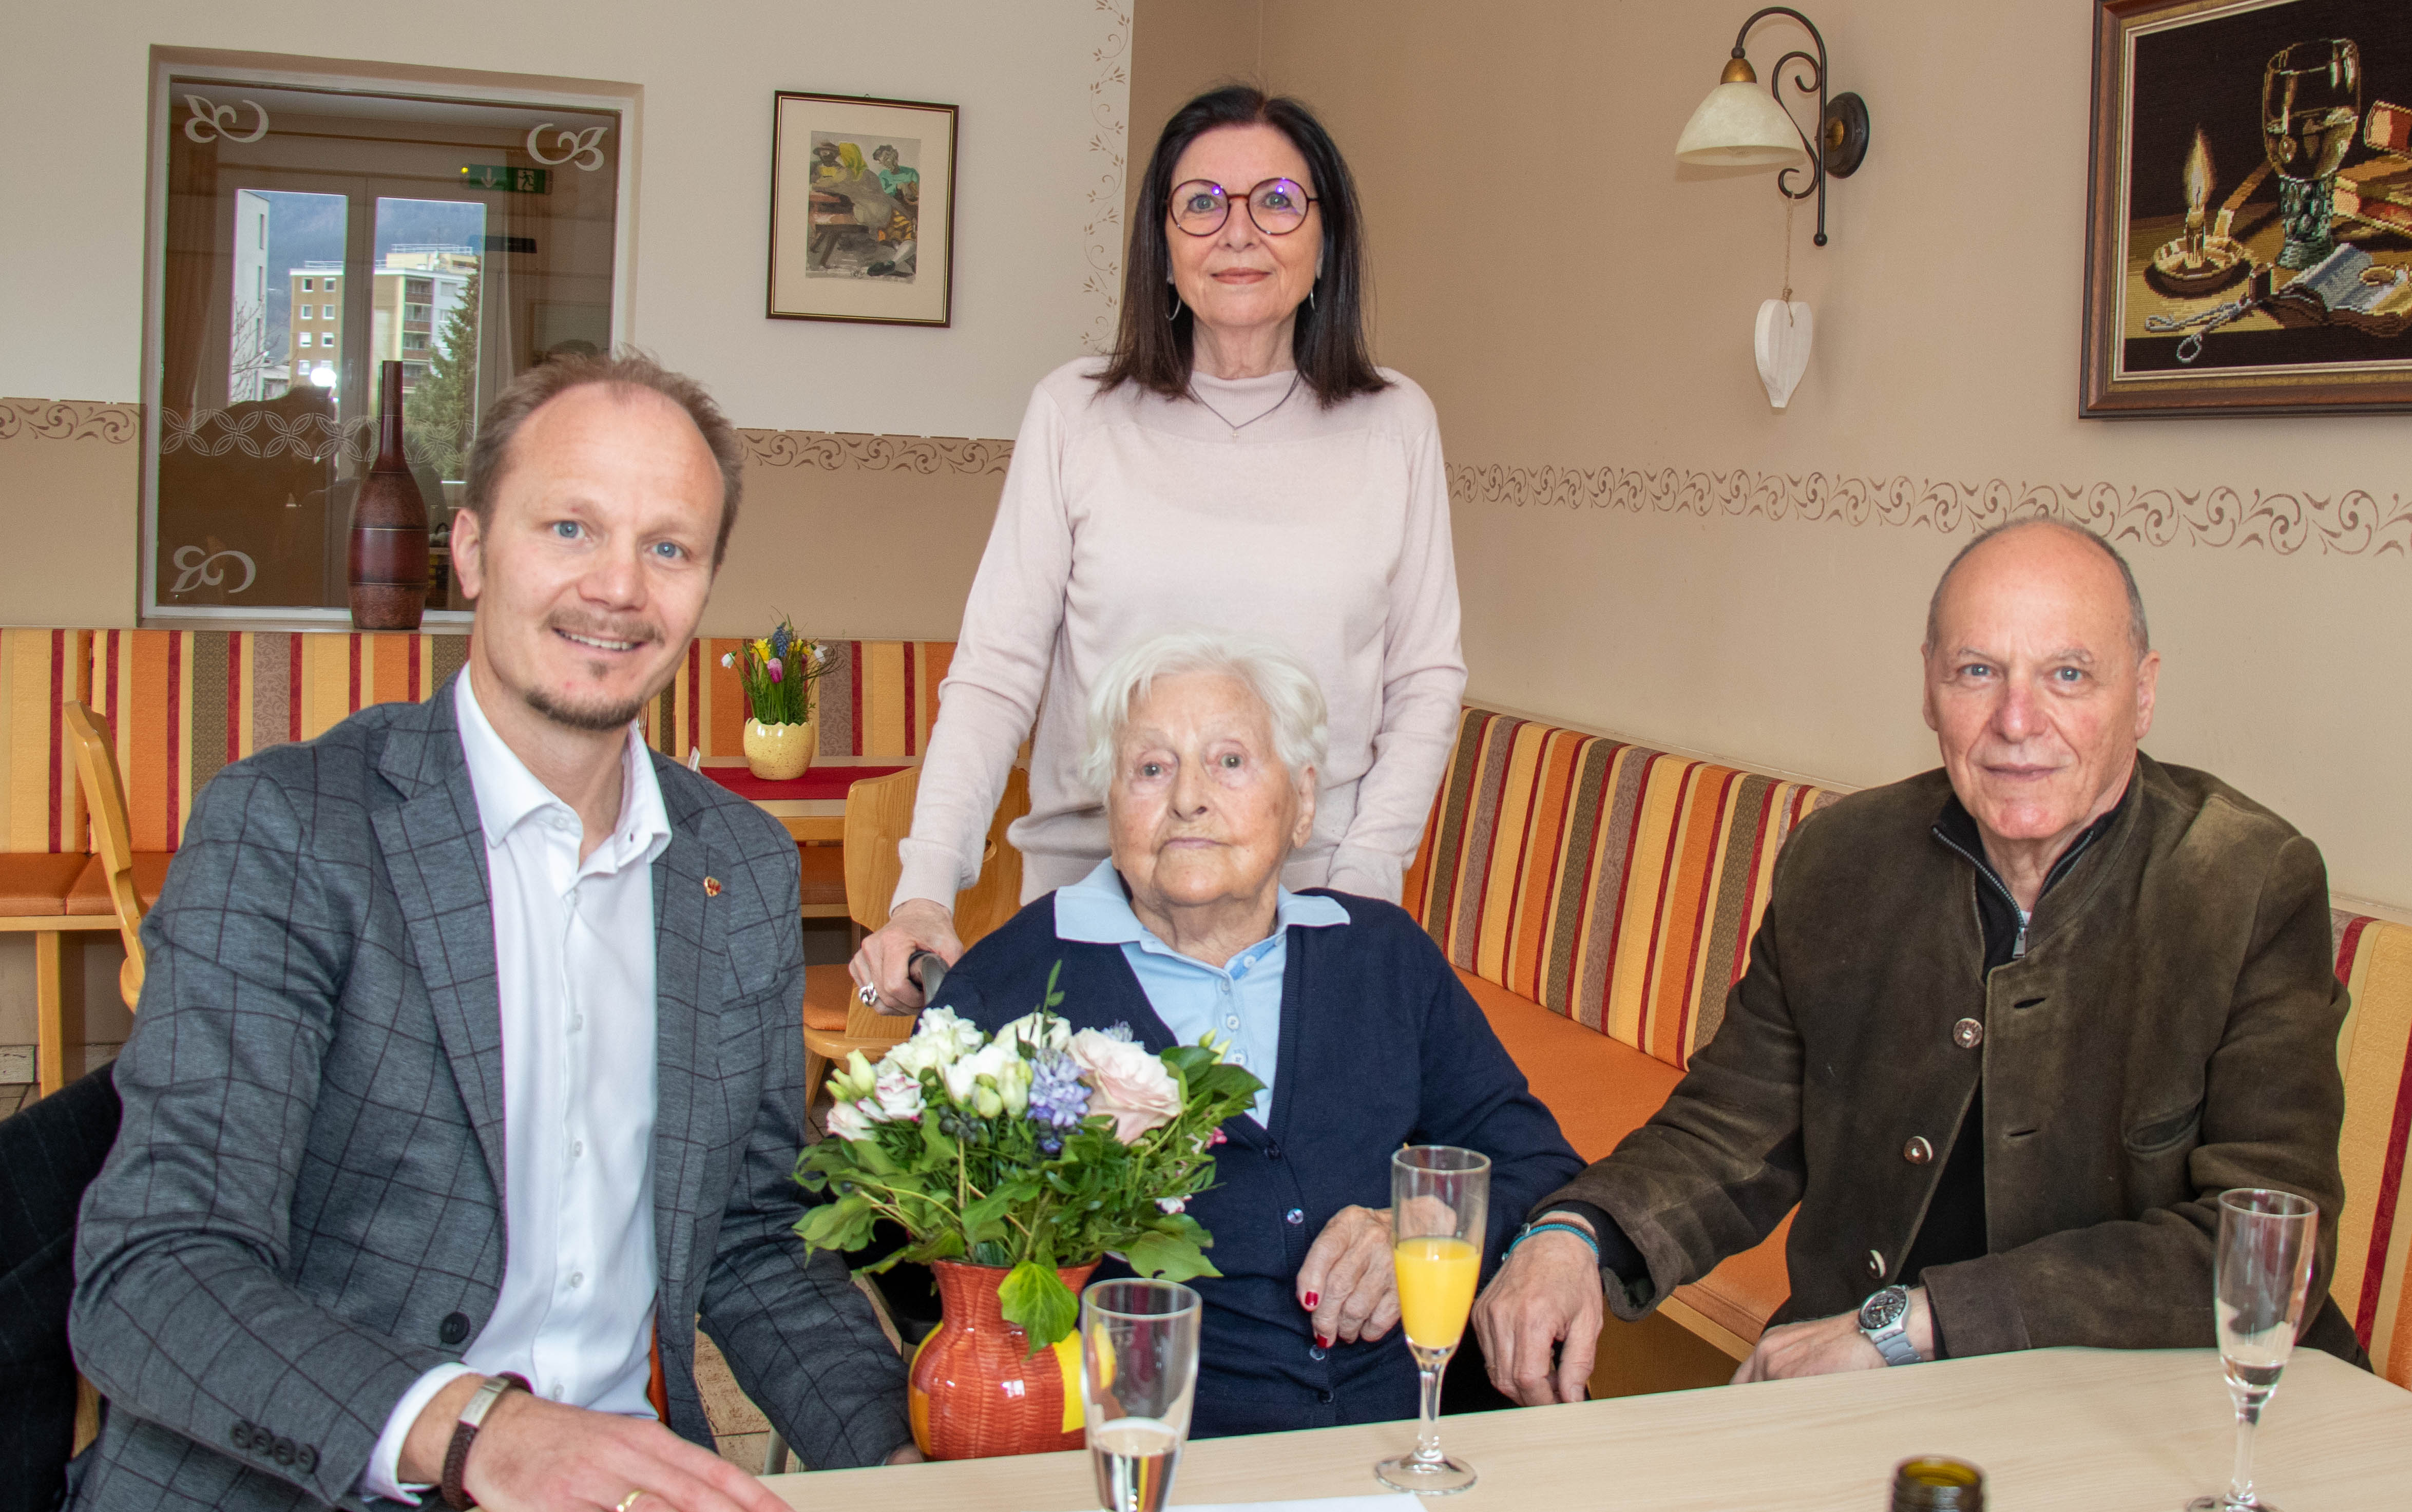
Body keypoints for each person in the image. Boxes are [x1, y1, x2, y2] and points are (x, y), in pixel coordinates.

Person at [58, 354, 913, 1512]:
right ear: (468, 549)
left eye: (668, 548)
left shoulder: (738, 864)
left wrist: (901, 1457)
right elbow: (154, 1273)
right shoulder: (293, 830)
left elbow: (753, 1239)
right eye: (569, 528)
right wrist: (480, 1431)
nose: (616, 587)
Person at [1473, 519, 2362, 1404]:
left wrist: (1909, 1325)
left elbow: (2270, 1245)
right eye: (1977, 672)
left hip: (2169, 1412)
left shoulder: (2245, 883)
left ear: (2142, 692)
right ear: (1930, 690)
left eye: (2066, 675)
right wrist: (1575, 1234)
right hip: (1864, 1403)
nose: (2017, 722)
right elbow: (1732, 1127)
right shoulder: (1841, 860)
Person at [853, 85, 1466, 1012]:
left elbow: (1424, 681)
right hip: (1089, 905)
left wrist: (1364, 886)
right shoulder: (1076, 414)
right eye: (1201, 203)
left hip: (1311, 916)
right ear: (1163, 244)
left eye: (1277, 201)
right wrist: (925, 892)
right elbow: (995, 674)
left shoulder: (1394, 423)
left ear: (1325, 238)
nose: (1238, 232)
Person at [929, 630, 1579, 1437]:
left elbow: (1530, 1160)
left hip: (1410, 1435)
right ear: (1110, 804)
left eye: (1230, 762)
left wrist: (1423, 1225)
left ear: (1301, 802)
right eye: (1151, 768)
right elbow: (920, 1238)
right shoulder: (1016, 979)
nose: (1188, 799)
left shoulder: (1380, 956)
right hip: (1143, 1451)